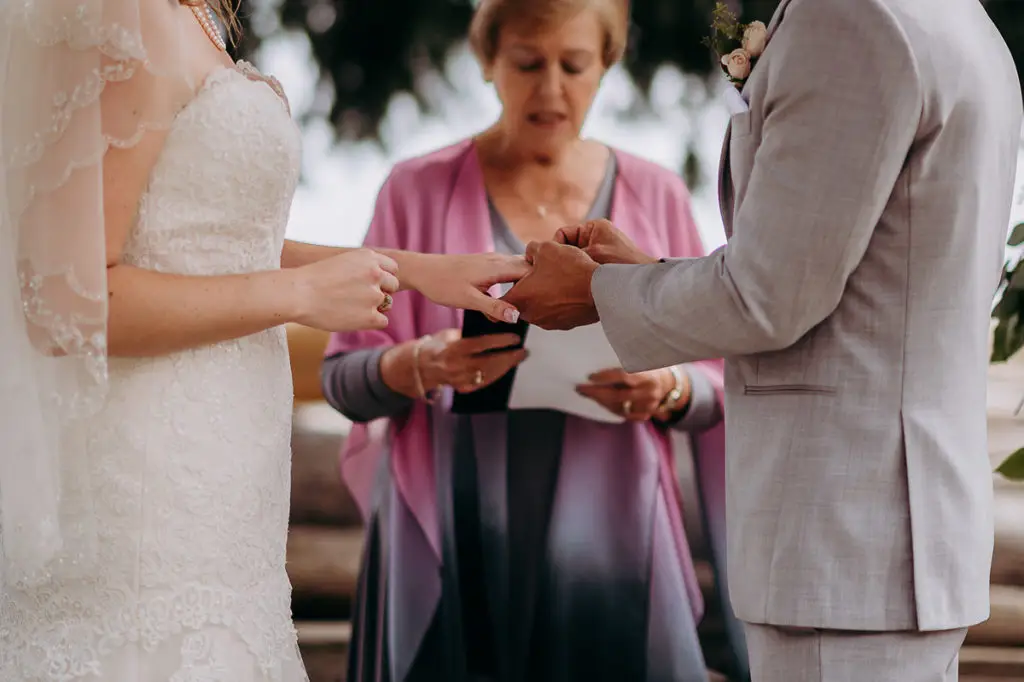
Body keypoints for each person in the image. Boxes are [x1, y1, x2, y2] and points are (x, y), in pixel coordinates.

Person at [0, 2, 527, 680]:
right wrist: (300, 297)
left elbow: (210, 241)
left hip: (227, 490)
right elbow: (62, 301)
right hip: (146, 491)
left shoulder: (192, 18)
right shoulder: (123, 16)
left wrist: (420, 271)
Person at [503, 0, 1024, 680]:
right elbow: (868, 283)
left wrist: (594, 294)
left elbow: (769, 298)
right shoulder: (953, 16)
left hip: (842, 544)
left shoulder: (853, 18)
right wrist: (643, 278)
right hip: (888, 540)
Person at [321, 1, 745, 680]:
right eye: (527, 63)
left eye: (574, 65)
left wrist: (667, 386)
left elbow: (724, 375)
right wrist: (420, 363)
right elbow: (343, 379)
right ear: (489, 62)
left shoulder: (657, 195)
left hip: (613, 543)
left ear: (605, 66)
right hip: (452, 539)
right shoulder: (414, 189)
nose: (551, 88)